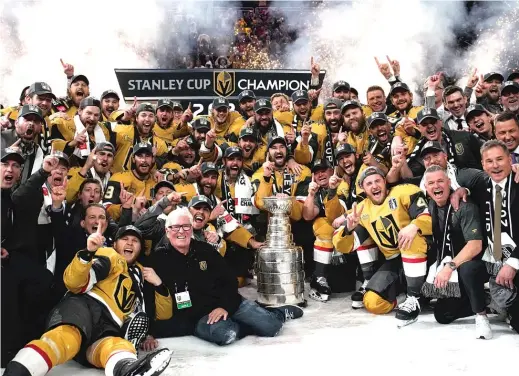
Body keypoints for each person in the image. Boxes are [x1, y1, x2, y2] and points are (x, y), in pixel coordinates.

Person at [3, 225, 173, 376]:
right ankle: (17, 372)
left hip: (109, 327)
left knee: (114, 345)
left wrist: (158, 285)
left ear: (140, 248)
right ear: (114, 244)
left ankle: (128, 369)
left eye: (135, 241)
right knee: (64, 338)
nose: (129, 243)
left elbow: (164, 315)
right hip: (83, 308)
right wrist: (87, 254)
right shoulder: (110, 255)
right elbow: (75, 283)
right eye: (124, 239)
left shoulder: (143, 275)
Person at [148, 207, 303, 346]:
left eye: (186, 226)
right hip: (199, 317)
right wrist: (148, 333)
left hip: (226, 303)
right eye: (175, 227)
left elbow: (229, 280)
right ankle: (248, 321)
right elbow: (149, 297)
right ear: (167, 231)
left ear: (191, 228)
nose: (181, 231)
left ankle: (278, 313)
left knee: (271, 327)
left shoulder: (205, 251)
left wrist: (224, 307)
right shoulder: (158, 259)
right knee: (225, 335)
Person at [333, 167, 432, 326]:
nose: (374, 186)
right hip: (395, 261)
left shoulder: (403, 193)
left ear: (385, 182)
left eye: (377, 180)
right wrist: (348, 229)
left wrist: (414, 226)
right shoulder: (362, 210)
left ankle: (415, 297)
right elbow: (345, 246)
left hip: (425, 256)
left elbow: (428, 216)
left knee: (409, 237)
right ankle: (402, 297)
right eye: (369, 183)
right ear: (364, 189)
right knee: (372, 302)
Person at [422, 165, 491, 339]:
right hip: (453, 265)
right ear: (426, 187)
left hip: (477, 264)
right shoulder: (430, 205)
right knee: (442, 315)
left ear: (449, 182)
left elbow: (475, 245)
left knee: (468, 269)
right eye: (431, 183)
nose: (436, 186)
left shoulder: (464, 206)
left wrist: (449, 267)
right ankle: (488, 301)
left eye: (440, 181)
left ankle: (481, 315)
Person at [303, 160, 335, 302]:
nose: (320, 174)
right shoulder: (318, 193)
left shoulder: (343, 183)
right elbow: (308, 215)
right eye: (316, 172)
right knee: (321, 225)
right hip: (334, 236)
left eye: (323, 170)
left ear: (331, 171)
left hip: (351, 227)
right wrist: (310, 194)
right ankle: (319, 277)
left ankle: (368, 279)